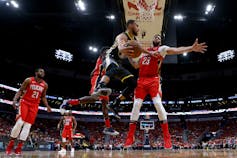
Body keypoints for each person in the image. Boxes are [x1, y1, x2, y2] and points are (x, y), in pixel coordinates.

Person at [124, 34, 207, 148]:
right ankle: (129, 137)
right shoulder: (143, 52)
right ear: (152, 40)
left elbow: (176, 50)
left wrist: (190, 48)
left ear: (161, 41)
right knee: (136, 105)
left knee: (158, 104)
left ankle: (167, 139)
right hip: (141, 81)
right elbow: (135, 65)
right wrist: (128, 55)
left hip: (154, 80)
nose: (157, 38)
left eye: (159, 37)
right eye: (155, 37)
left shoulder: (162, 49)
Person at [92, 20, 158, 119]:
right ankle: (100, 86)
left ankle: (115, 103)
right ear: (130, 25)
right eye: (137, 26)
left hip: (118, 63)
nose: (138, 28)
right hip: (110, 57)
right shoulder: (122, 36)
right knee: (114, 67)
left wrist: (150, 56)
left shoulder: (134, 40)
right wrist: (126, 48)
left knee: (133, 82)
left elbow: (135, 65)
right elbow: (121, 47)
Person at [61, 47, 119, 136]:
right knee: (94, 98)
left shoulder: (104, 60)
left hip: (102, 81)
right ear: (103, 53)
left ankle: (108, 127)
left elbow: (93, 72)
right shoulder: (104, 57)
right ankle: (69, 102)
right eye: (108, 52)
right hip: (98, 79)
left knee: (105, 104)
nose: (110, 54)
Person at [5, 68, 52, 155]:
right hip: (25, 102)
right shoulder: (29, 80)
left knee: (27, 126)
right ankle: (10, 145)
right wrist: (15, 100)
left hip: (34, 106)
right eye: (40, 71)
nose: (42, 73)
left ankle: (19, 147)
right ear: (36, 73)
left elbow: (43, 97)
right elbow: (20, 90)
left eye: (43, 72)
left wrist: (47, 106)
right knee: (20, 123)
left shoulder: (45, 85)